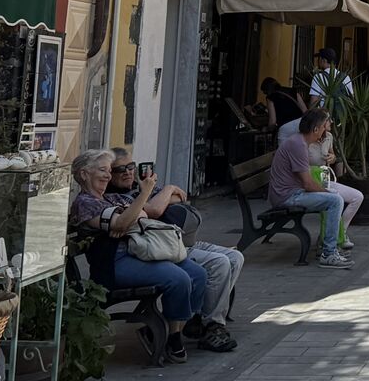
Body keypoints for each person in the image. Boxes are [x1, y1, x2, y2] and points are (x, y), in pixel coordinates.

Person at [72, 149, 211, 362]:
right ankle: (173, 338)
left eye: (109, 170)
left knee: (198, 274)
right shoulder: (85, 203)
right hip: (112, 265)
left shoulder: (111, 198)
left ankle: (168, 327)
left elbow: (144, 214)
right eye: (103, 170)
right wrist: (139, 201)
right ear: (83, 174)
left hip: (139, 253)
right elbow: (122, 222)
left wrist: (129, 218)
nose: (108, 175)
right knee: (179, 278)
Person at [107, 149, 240, 352]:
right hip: (160, 248)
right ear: (109, 173)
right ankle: (211, 325)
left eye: (131, 167)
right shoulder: (118, 196)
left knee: (235, 257)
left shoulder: (139, 186)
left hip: (177, 241)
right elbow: (153, 211)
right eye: (120, 169)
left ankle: (199, 320)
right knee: (215, 265)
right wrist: (166, 190)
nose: (128, 172)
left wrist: (160, 195)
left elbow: (181, 198)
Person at [267, 109, 354, 268]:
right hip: (287, 196)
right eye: (322, 127)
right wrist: (328, 193)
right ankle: (328, 253)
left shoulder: (299, 142)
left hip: (290, 192)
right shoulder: (298, 145)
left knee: (333, 197)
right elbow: (307, 183)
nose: (324, 130)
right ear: (315, 129)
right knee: (334, 200)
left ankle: (329, 247)